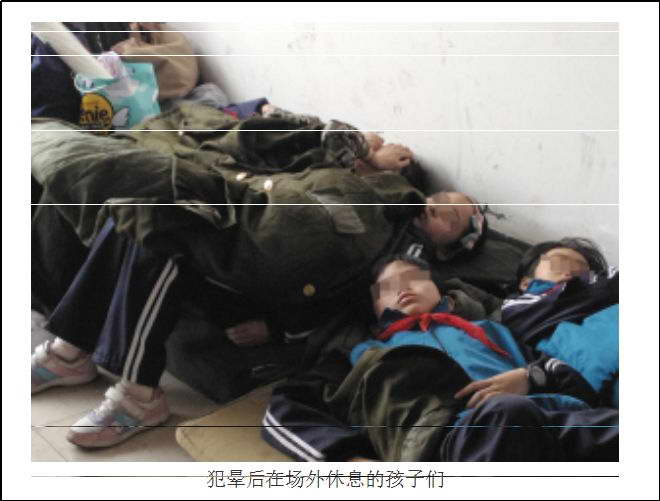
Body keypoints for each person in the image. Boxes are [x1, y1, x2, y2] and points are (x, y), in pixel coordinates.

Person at [31, 104, 489, 448]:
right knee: (137, 210)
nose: (442, 206)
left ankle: (138, 397)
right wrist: (360, 152)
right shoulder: (344, 174)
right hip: (245, 224)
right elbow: (266, 150)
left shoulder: (406, 256)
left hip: (266, 277)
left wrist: (279, 327)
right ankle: (72, 350)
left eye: (454, 216)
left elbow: (357, 309)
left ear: (448, 247)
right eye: (444, 199)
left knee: (165, 232)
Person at [262, 254, 618, 462]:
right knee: (506, 414)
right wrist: (344, 459)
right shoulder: (362, 353)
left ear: (441, 290)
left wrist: (530, 377)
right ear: (374, 306)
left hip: (557, 418)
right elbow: (283, 410)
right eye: (386, 288)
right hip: (457, 440)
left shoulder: (492, 328)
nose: (402, 289)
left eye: (413, 279)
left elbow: (569, 375)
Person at [500, 237, 619, 407]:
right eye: (558, 263)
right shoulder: (518, 311)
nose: (570, 272)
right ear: (526, 283)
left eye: (582, 269)